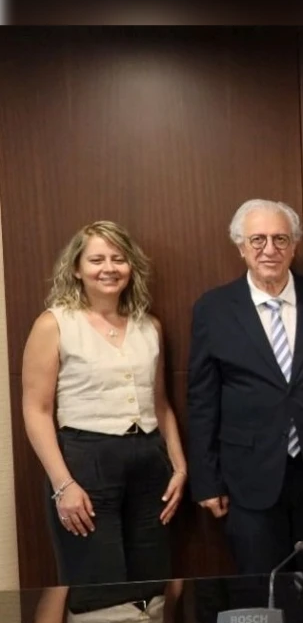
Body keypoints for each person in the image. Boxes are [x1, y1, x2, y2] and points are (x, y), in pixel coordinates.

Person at [187, 200, 303, 576]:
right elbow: (202, 400)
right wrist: (207, 480)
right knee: (260, 587)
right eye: (257, 240)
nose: (269, 249)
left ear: (294, 246)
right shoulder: (214, 308)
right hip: (248, 475)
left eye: (280, 239)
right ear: (241, 247)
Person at [21, 221, 186, 585]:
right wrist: (63, 485)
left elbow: (160, 404)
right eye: (96, 260)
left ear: (131, 267)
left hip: (149, 464)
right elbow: (36, 410)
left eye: (118, 259)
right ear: (76, 269)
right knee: (98, 586)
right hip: (85, 462)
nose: (109, 268)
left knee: (152, 584)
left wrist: (179, 467)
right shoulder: (54, 324)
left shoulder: (150, 326)